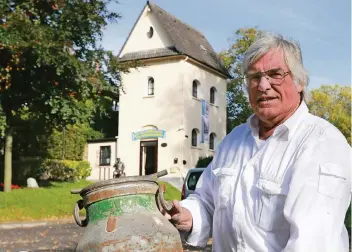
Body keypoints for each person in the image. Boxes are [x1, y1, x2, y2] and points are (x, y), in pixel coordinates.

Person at [162, 33, 351, 251]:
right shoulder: (233, 141)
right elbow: (206, 201)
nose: (263, 85)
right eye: (254, 77)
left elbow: (310, 243)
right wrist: (188, 215)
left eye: (275, 74)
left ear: (299, 82)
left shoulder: (322, 143)